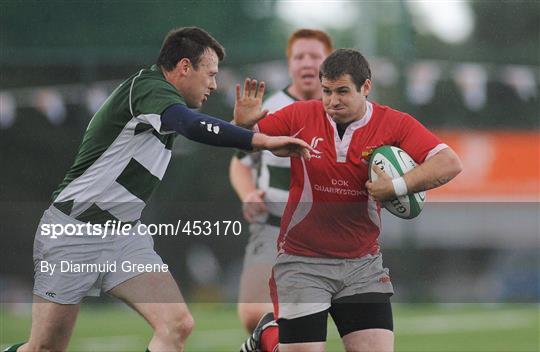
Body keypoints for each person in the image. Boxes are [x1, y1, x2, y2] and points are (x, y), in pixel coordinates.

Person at [4, 27, 313, 352]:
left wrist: (241, 129)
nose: (213, 84)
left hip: (124, 237)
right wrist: (261, 141)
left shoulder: (165, 105)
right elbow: (193, 125)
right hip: (73, 232)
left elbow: (200, 128)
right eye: (210, 74)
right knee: (45, 348)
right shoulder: (148, 89)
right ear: (183, 67)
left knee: (177, 325)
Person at [235, 49, 463, 352]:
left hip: (361, 266)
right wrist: (241, 126)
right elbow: (245, 140)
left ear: (365, 87)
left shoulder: (394, 124)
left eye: (342, 91)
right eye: (327, 91)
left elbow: (449, 163)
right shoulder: (301, 115)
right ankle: (267, 336)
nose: (333, 100)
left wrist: (396, 186)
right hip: (302, 261)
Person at [230, 29, 333, 333]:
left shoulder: (344, 110)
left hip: (330, 236)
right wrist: (249, 195)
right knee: (252, 316)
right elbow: (239, 165)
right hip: (273, 226)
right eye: (299, 56)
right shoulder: (266, 109)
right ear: (289, 64)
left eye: (315, 56)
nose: (306, 63)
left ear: (330, 63)